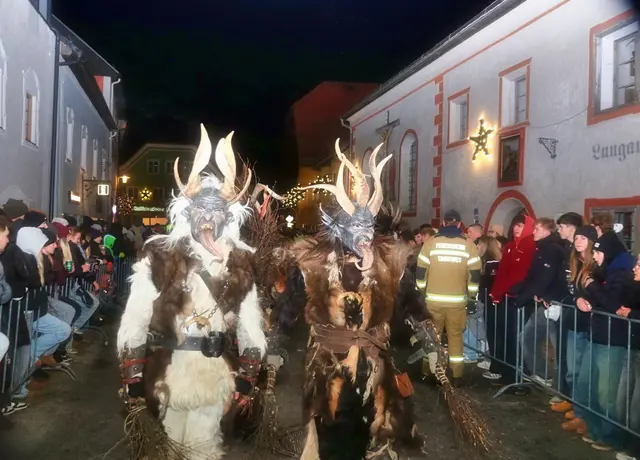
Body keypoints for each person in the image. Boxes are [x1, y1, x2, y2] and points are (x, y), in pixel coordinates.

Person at [117, 126, 267, 459]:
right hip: (167, 373)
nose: (209, 219)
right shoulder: (160, 259)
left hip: (214, 375)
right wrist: (132, 380)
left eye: (217, 211)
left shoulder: (240, 265)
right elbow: (135, 320)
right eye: (202, 210)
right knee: (167, 447)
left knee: (201, 448)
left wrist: (247, 377)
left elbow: (250, 326)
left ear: (229, 217)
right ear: (188, 213)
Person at [416, 209, 482, 386]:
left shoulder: (431, 243)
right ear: (459, 224)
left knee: (432, 338)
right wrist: (472, 296)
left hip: (433, 301)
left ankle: (429, 372)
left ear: (443, 223)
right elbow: (475, 274)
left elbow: (421, 271)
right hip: (457, 302)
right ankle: (456, 375)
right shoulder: (468, 244)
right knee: (455, 337)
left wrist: (423, 291)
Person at [484, 213, 535, 384]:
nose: (516, 228)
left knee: (514, 337)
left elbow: (524, 274)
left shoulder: (531, 246)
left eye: (520, 225)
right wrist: (496, 293)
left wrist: (515, 291)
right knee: (503, 335)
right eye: (515, 225)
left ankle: (517, 374)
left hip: (518, 299)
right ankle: (506, 371)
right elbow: (502, 273)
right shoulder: (511, 247)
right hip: (505, 298)